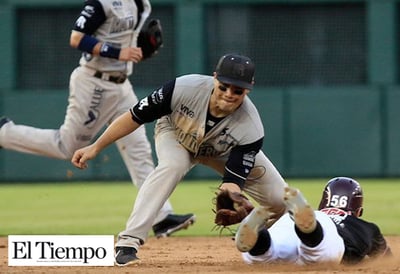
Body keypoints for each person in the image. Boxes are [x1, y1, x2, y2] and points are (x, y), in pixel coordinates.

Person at [71, 53, 288, 266]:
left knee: (284, 202)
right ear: (215, 78)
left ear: (249, 88)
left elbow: (233, 179)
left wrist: (230, 196)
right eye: (224, 86)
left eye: (238, 90)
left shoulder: (251, 128)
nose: (229, 93)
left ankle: (258, 239)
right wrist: (96, 146)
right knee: (172, 165)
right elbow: (134, 116)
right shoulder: (183, 88)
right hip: (176, 134)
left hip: (223, 151)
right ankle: (128, 243)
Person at [0, 0, 195, 238]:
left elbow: (128, 40)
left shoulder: (142, 5)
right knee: (67, 146)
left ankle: (161, 216)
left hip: (122, 86)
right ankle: (4, 134)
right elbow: (76, 38)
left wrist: (137, 51)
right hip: (94, 84)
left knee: (139, 151)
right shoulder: (103, 3)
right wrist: (118, 52)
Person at [235, 177, 392, 265]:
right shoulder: (365, 227)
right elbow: (387, 260)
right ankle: (308, 232)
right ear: (358, 212)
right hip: (324, 233)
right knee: (318, 252)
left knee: (267, 254)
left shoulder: (316, 214)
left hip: (288, 223)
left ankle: (259, 237)